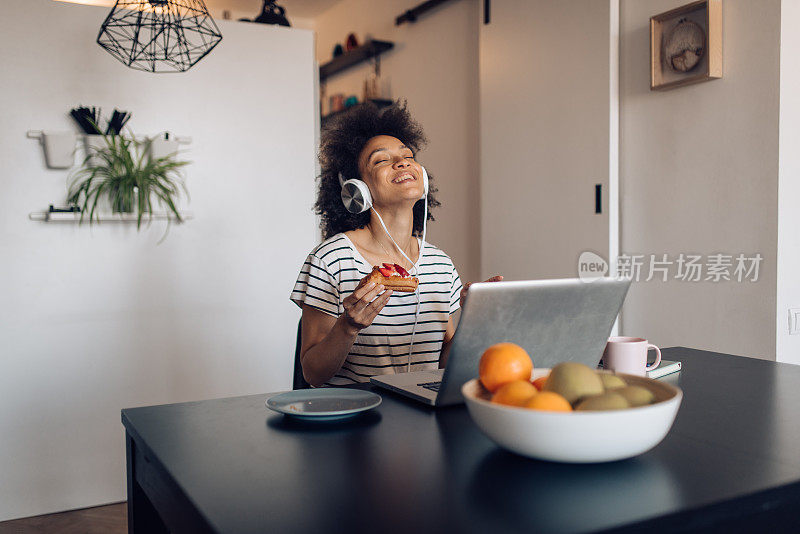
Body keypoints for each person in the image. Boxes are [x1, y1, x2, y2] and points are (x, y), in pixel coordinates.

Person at [291, 102, 499, 387]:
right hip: (360, 422)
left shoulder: (440, 265)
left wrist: (473, 321)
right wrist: (348, 327)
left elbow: (445, 366)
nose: (402, 162)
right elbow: (313, 374)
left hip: (424, 418)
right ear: (357, 189)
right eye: (380, 160)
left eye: (407, 156)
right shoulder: (330, 260)